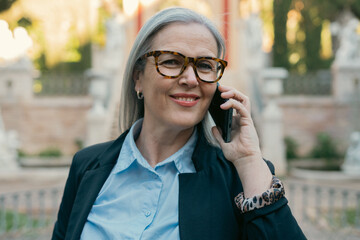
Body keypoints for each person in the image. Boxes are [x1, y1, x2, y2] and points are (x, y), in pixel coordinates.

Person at [52, 7, 306, 240]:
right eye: (171, 61)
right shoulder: (87, 166)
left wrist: (249, 159)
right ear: (137, 78)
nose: (190, 79)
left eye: (205, 65)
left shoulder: (239, 177)